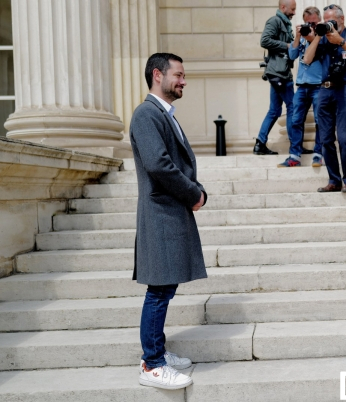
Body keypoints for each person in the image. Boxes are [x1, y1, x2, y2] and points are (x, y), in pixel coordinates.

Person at [130, 53, 208, 390]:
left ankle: (157, 350)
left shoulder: (162, 113)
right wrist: (193, 193)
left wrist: (194, 190)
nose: (183, 81)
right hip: (161, 212)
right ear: (157, 75)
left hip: (169, 211)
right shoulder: (147, 114)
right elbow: (159, 165)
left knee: (165, 286)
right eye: (178, 74)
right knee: (159, 290)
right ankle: (152, 364)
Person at [304, 4, 346, 192]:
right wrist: (318, 36)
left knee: (345, 138)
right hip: (324, 91)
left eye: (332, 20)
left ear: (342, 19)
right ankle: (334, 180)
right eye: (326, 20)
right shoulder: (323, 40)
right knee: (326, 139)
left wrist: (340, 41)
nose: (329, 23)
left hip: (345, 91)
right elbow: (306, 59)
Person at [278, 6, 325, 168]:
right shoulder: (303, 36)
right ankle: (294, 156)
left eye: (313, 23)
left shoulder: (323, 35)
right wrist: (298, 36)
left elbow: (322, 51)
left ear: (318, 21)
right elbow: (292, 56)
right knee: (296, 120)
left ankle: (319, 154)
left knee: (321, 121)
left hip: (318, 85)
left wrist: (313, 36)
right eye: (307, 23)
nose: (310, 26)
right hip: (302, 86)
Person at [254, 0, 297, 155]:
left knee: (274, 111)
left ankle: (260, 143)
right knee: (292, 107)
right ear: (282, 7)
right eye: (292, 9)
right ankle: (295, 145)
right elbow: (264, 40)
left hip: (280, 72)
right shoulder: (275, 21)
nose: (294, 12)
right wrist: (286, 46)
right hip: (280, 73)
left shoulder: (285, 23)